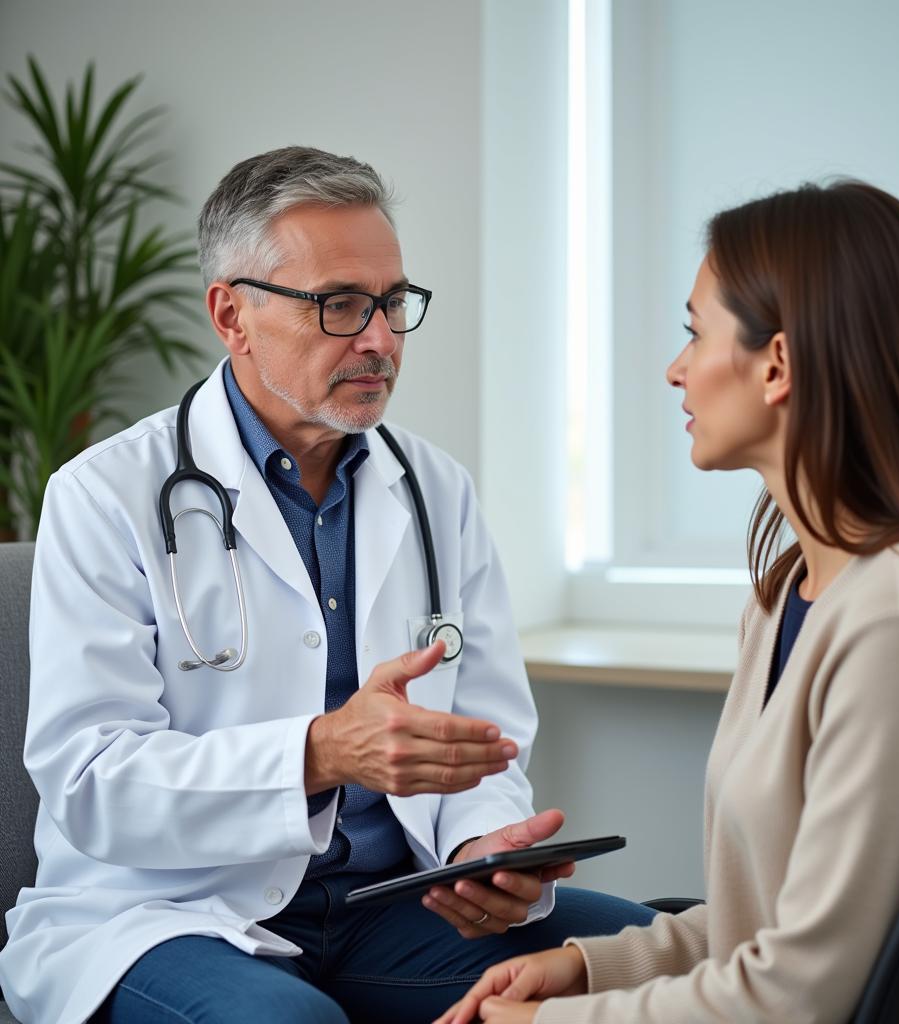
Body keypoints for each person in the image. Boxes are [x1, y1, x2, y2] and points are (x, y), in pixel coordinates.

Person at [0, 147, 653, 1024]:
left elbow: (485, 736)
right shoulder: (103, 494)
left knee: (636, 960)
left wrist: (482, 846)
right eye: (339, 305)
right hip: (170, 914)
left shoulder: (435, 491)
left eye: (392, 303)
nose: (380, 338)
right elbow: (90, 782)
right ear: (232, 315)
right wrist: (318, 753)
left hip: (395, 903)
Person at [436, 180, 899, 1024]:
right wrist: (585, 971)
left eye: (693, 332)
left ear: (777, 365)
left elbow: (804, 993)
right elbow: (780, 928)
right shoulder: (792, 590)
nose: (676, 369)